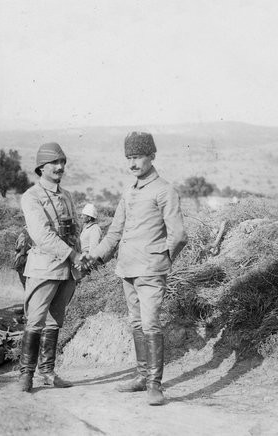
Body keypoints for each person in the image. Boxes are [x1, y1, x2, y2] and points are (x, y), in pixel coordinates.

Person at [82, 132, 187, 406]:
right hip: (127, 269)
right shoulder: (128, 192)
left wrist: (162, 261)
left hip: (151, 270)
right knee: (136, 323)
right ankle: (142, 377)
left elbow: (177, 235)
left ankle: (154, 385)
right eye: (129, 158)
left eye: (138, 157)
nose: (132, 164)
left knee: (151, 323)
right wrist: (94, 257)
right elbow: (114, 232)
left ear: (152, 156)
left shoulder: (165, 190)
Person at [18, 142, 83, 393]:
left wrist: (79, 257)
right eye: (54, 163)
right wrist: (72, 254)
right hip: (43, 267)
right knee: (35, 321)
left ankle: (47, 372)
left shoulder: (66, 195)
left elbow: (75, 228)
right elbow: (42, 235)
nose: (60, 167)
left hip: (67, 269)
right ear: (41, 167)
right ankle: (26, 375)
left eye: (62, 162)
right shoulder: (31, 196)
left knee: (55, 322)